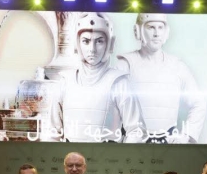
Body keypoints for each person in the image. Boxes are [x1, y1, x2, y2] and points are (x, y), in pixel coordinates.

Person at [50, 12, 147, 143]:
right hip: (71, 156)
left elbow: (136, 131)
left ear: (110, 44)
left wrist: (121, 155)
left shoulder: (120, 83)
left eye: (99, 41)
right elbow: (52, 133)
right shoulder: (64, 82)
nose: (92, 49)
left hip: (108, 155)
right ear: (77, 43)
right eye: (86, 41)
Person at [116, 12, 206, 143]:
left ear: (166, 31)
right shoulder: (125, 65)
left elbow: (198, 103)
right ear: (139, 31)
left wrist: (187, 135)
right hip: (134, 145)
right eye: (151, 27)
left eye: (160, 27)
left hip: (168, 145)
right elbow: (109, 107)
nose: (156, 33)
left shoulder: (177, 66)